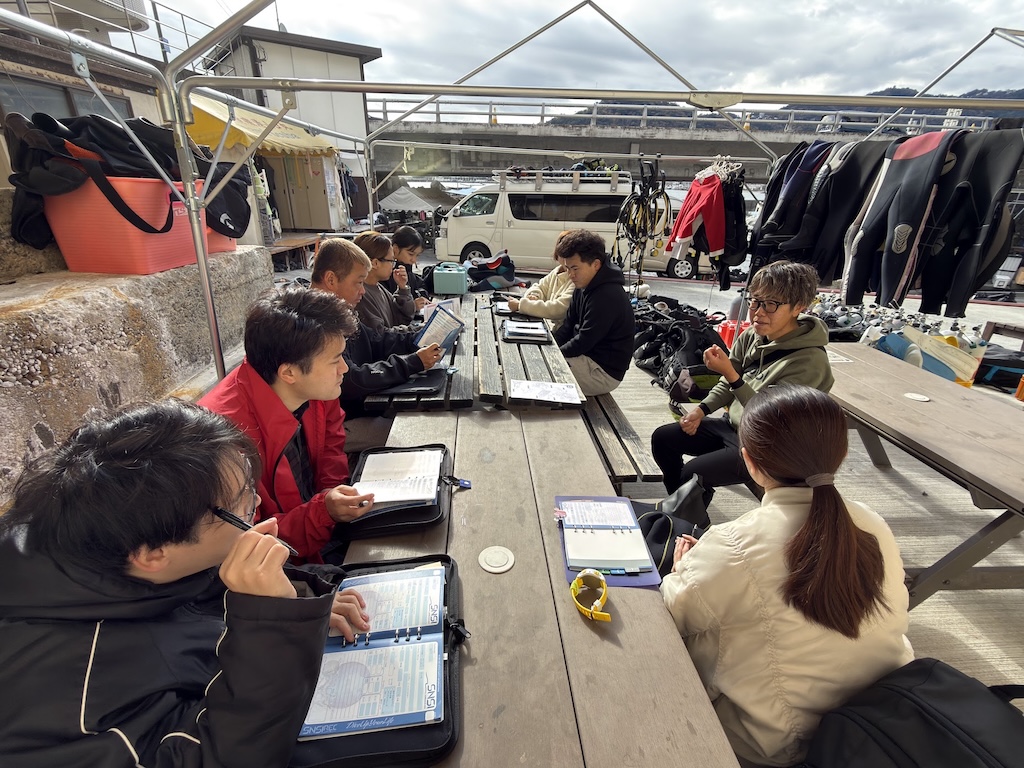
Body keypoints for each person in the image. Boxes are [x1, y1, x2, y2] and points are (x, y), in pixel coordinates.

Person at [0, 399, 372, 767]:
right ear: (152, 554)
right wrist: (272, 626)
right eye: (242, 505)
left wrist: (293, 610)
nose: (257, 502)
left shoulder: (118, 544)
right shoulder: (73, 699)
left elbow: (206, 593)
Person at [661, 384, 913, 768]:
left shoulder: (733, 543)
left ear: (748, 461)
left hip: (774, 748)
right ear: (840, 454)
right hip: (878, 723)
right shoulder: (872, 523)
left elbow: (675, 617)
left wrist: (683, 570)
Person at [199, 286, 374, 561]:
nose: (344, 368)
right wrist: (323, 512)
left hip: (320, 531)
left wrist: (332, 493)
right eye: (335, 360)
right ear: (289, 372)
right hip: (282, 564)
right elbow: (250, 539)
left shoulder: (315, 388)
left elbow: (331, 443)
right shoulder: (224, 439)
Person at [651, 260, 833, 507]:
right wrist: (701, 410)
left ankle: (687, 515)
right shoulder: (752, 335)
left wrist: (731, 374)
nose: (758, 312)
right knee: (663, 439)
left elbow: (770, 416)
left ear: (798, 307)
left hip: (769, 445)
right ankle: (685, 509)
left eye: (771, 304)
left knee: (692, 474)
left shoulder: (810, 361)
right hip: (734, 426)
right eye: (755, 301)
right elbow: (727, 381)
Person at [310, 237, 444, 449]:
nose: (363, 291)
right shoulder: (314, 323)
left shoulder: (338, 311)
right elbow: (352, 380)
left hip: (364, 407)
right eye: (358, 282)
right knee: (419, 431)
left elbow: (378, 340)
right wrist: (412, 363)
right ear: (331, 279)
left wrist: (422, 337)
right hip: (341, 423)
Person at [551, 229, 635, 396]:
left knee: (544, 372)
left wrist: (553, 355)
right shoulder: (583, 285)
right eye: (567, 268)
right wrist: (551, 346)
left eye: (575, 268)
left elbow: (584, 340)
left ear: (596, 265)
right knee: (539, 361)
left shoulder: (607, 295)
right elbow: (567, 326)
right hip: (584, 357)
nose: (570, 275)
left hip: (603, 372)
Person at [507, 231, 575, 330]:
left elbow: (558, 309)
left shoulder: (575, 279)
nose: (566, 260)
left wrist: (520, 305)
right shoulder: (557, 271)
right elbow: (540, 286)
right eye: (562, 253)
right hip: (548, 326)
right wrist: (534, 296)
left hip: (560, 332)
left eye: (570, 255)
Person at [354, 231, 417, 333]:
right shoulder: (360, 295)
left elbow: (403, 318)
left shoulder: (378, 286)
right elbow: (381, 335)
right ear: (375, 263)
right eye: (391, 261)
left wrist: (403, 289)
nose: (393, 266)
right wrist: (417, 329)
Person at [383, 225, 430, 302]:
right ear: (395, 249)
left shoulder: (408, 269)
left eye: (417, 255)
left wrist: (421, 296)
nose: (414, 260)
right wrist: (412, 305)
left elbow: (420, 285)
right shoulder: (386, 273)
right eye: (411, 254)